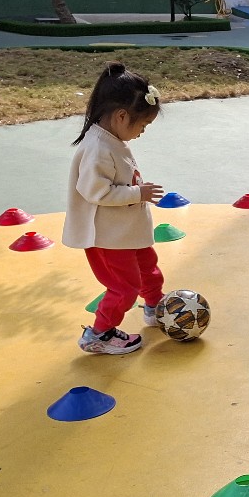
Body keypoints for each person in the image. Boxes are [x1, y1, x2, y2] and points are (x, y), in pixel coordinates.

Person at [63, 62, 166, 354]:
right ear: (121, 116)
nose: (142, 132)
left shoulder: (112, 139)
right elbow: (97, 191)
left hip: (125, 231)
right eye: (142, 125)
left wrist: (137, 192)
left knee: (149, 269)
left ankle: (154, 306)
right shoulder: (97, 148)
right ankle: (99, 334)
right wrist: (138, 193)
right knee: (124, 288)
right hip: (108, 238)